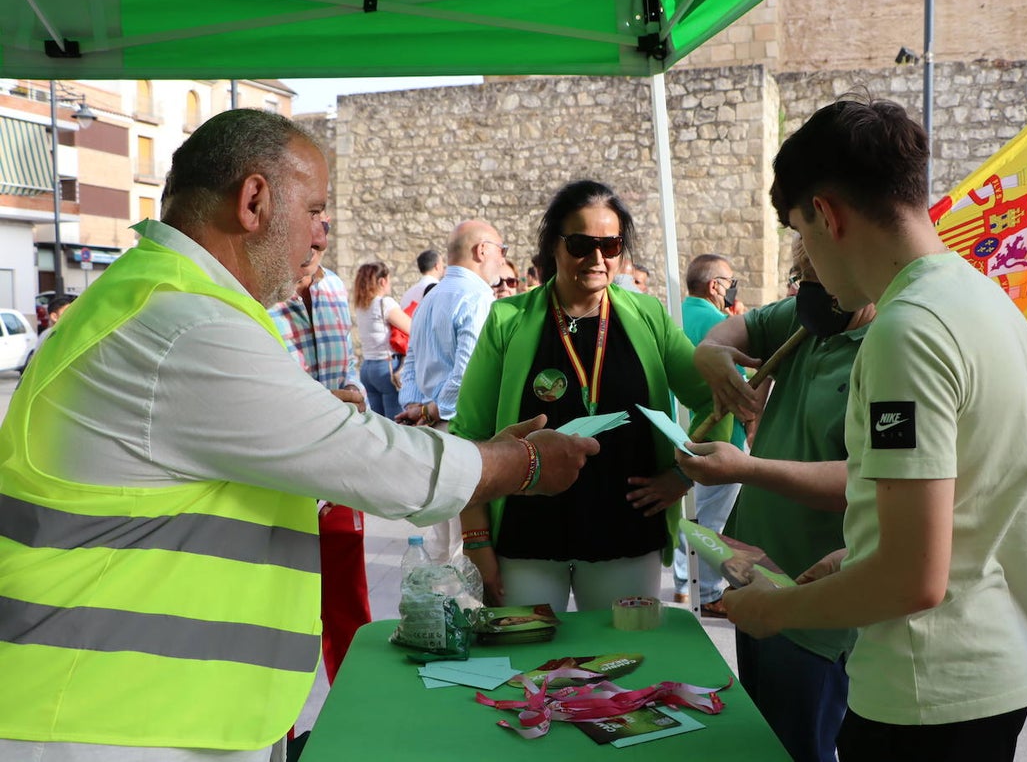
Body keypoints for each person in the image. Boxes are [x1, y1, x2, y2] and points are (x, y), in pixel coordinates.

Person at [0, 108, 598, 762]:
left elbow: (190, 495)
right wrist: (520, 465)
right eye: (314, 209)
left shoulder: (154, 299)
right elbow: (377, 465)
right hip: (106, 721)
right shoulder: (184, 322)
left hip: (137, 710)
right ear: (253, 199)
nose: (323, 233)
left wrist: (310, 428)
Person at [722, 98, 1027, 762]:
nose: (807, 257)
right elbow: (965, 500)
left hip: (920, 691)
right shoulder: (989, 303)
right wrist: (860, 547)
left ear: (827, 214)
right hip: (989, 669)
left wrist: (774, 610)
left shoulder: (906, 330)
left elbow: (913, 578)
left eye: (800, 233)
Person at [450, 179, 729, 613]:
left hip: (626, 535)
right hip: (526, 538)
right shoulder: (508, 319)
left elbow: (716, 397)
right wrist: (476, 539)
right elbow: (469, 433)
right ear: (554, 246)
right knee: (530, 670)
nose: (597, 258)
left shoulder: (648, 316)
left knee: (625, 672)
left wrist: (683, 475)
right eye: (581, 243)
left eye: (611, 244)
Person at [677, 238, 874, 762]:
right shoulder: (809, 314)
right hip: (756, 571)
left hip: (817, 599)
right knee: (762, 740)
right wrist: (711, 351)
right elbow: (734, 329)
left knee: (800, 745)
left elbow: (870, 482)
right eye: (798, 273)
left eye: (819, 277)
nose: (804, 290)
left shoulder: (888, 346)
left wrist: (747, 468)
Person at [267, 223, 372, 686]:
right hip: (281, 481)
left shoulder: (332, 287)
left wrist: (353, 389)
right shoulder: (256, 296)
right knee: (279, 617)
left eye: (323, 224)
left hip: (338, 473)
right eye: (306, 222)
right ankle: (278, 744)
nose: (318, 239)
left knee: (349, 606)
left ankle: (357, 718)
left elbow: (348, 362)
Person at [397, 219, 508, 562]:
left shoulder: (432, 297)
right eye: (501, 253)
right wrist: (432, 408)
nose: (502, 262)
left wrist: (417, 406)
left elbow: (411, 364)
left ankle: (442, 611)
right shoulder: (476, 297)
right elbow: (469, 371)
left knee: (443, 540)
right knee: (468, 544)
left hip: (431, 427)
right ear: (482, 250)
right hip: (462, 427)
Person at [672, 253, 748, 618]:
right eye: (730, 282)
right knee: (712, 519)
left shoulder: (674, 314)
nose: (732, 290)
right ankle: (707, 590)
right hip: (717, 434)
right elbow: (743, 387)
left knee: (686, 510)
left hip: (674, 430)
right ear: (716, 285)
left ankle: (686, 584)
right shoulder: (721, 324)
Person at [352, 261, 412, 419]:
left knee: (378, 422)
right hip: (387, 367)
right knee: (396, 422)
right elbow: (412, 328)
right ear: (382, 281)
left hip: (367, 368)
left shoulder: (361, 306)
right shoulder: (385, 303)